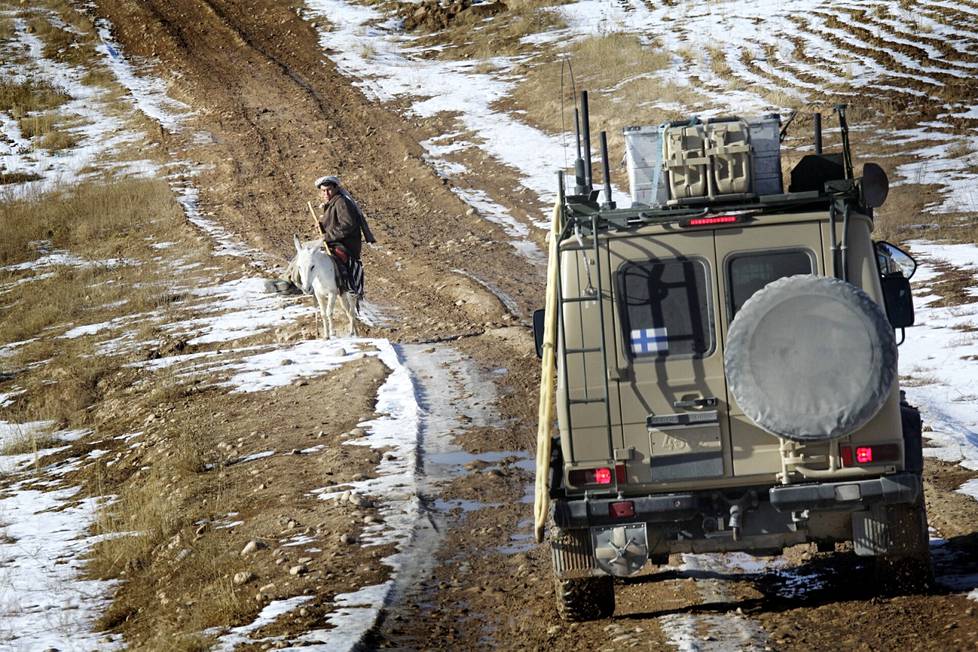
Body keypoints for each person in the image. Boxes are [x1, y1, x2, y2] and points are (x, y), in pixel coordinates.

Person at [314, 175, 376, 299]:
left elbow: (348, 225)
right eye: (323, 191)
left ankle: (349, 286)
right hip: (334, 241)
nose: (326, 193)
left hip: (345, 244)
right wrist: (321, 226)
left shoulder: (341, 202)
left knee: (339, 259)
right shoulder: (332, 203)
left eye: (329, 189)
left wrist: (327, 236)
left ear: (336, 188)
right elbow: (333, 223)